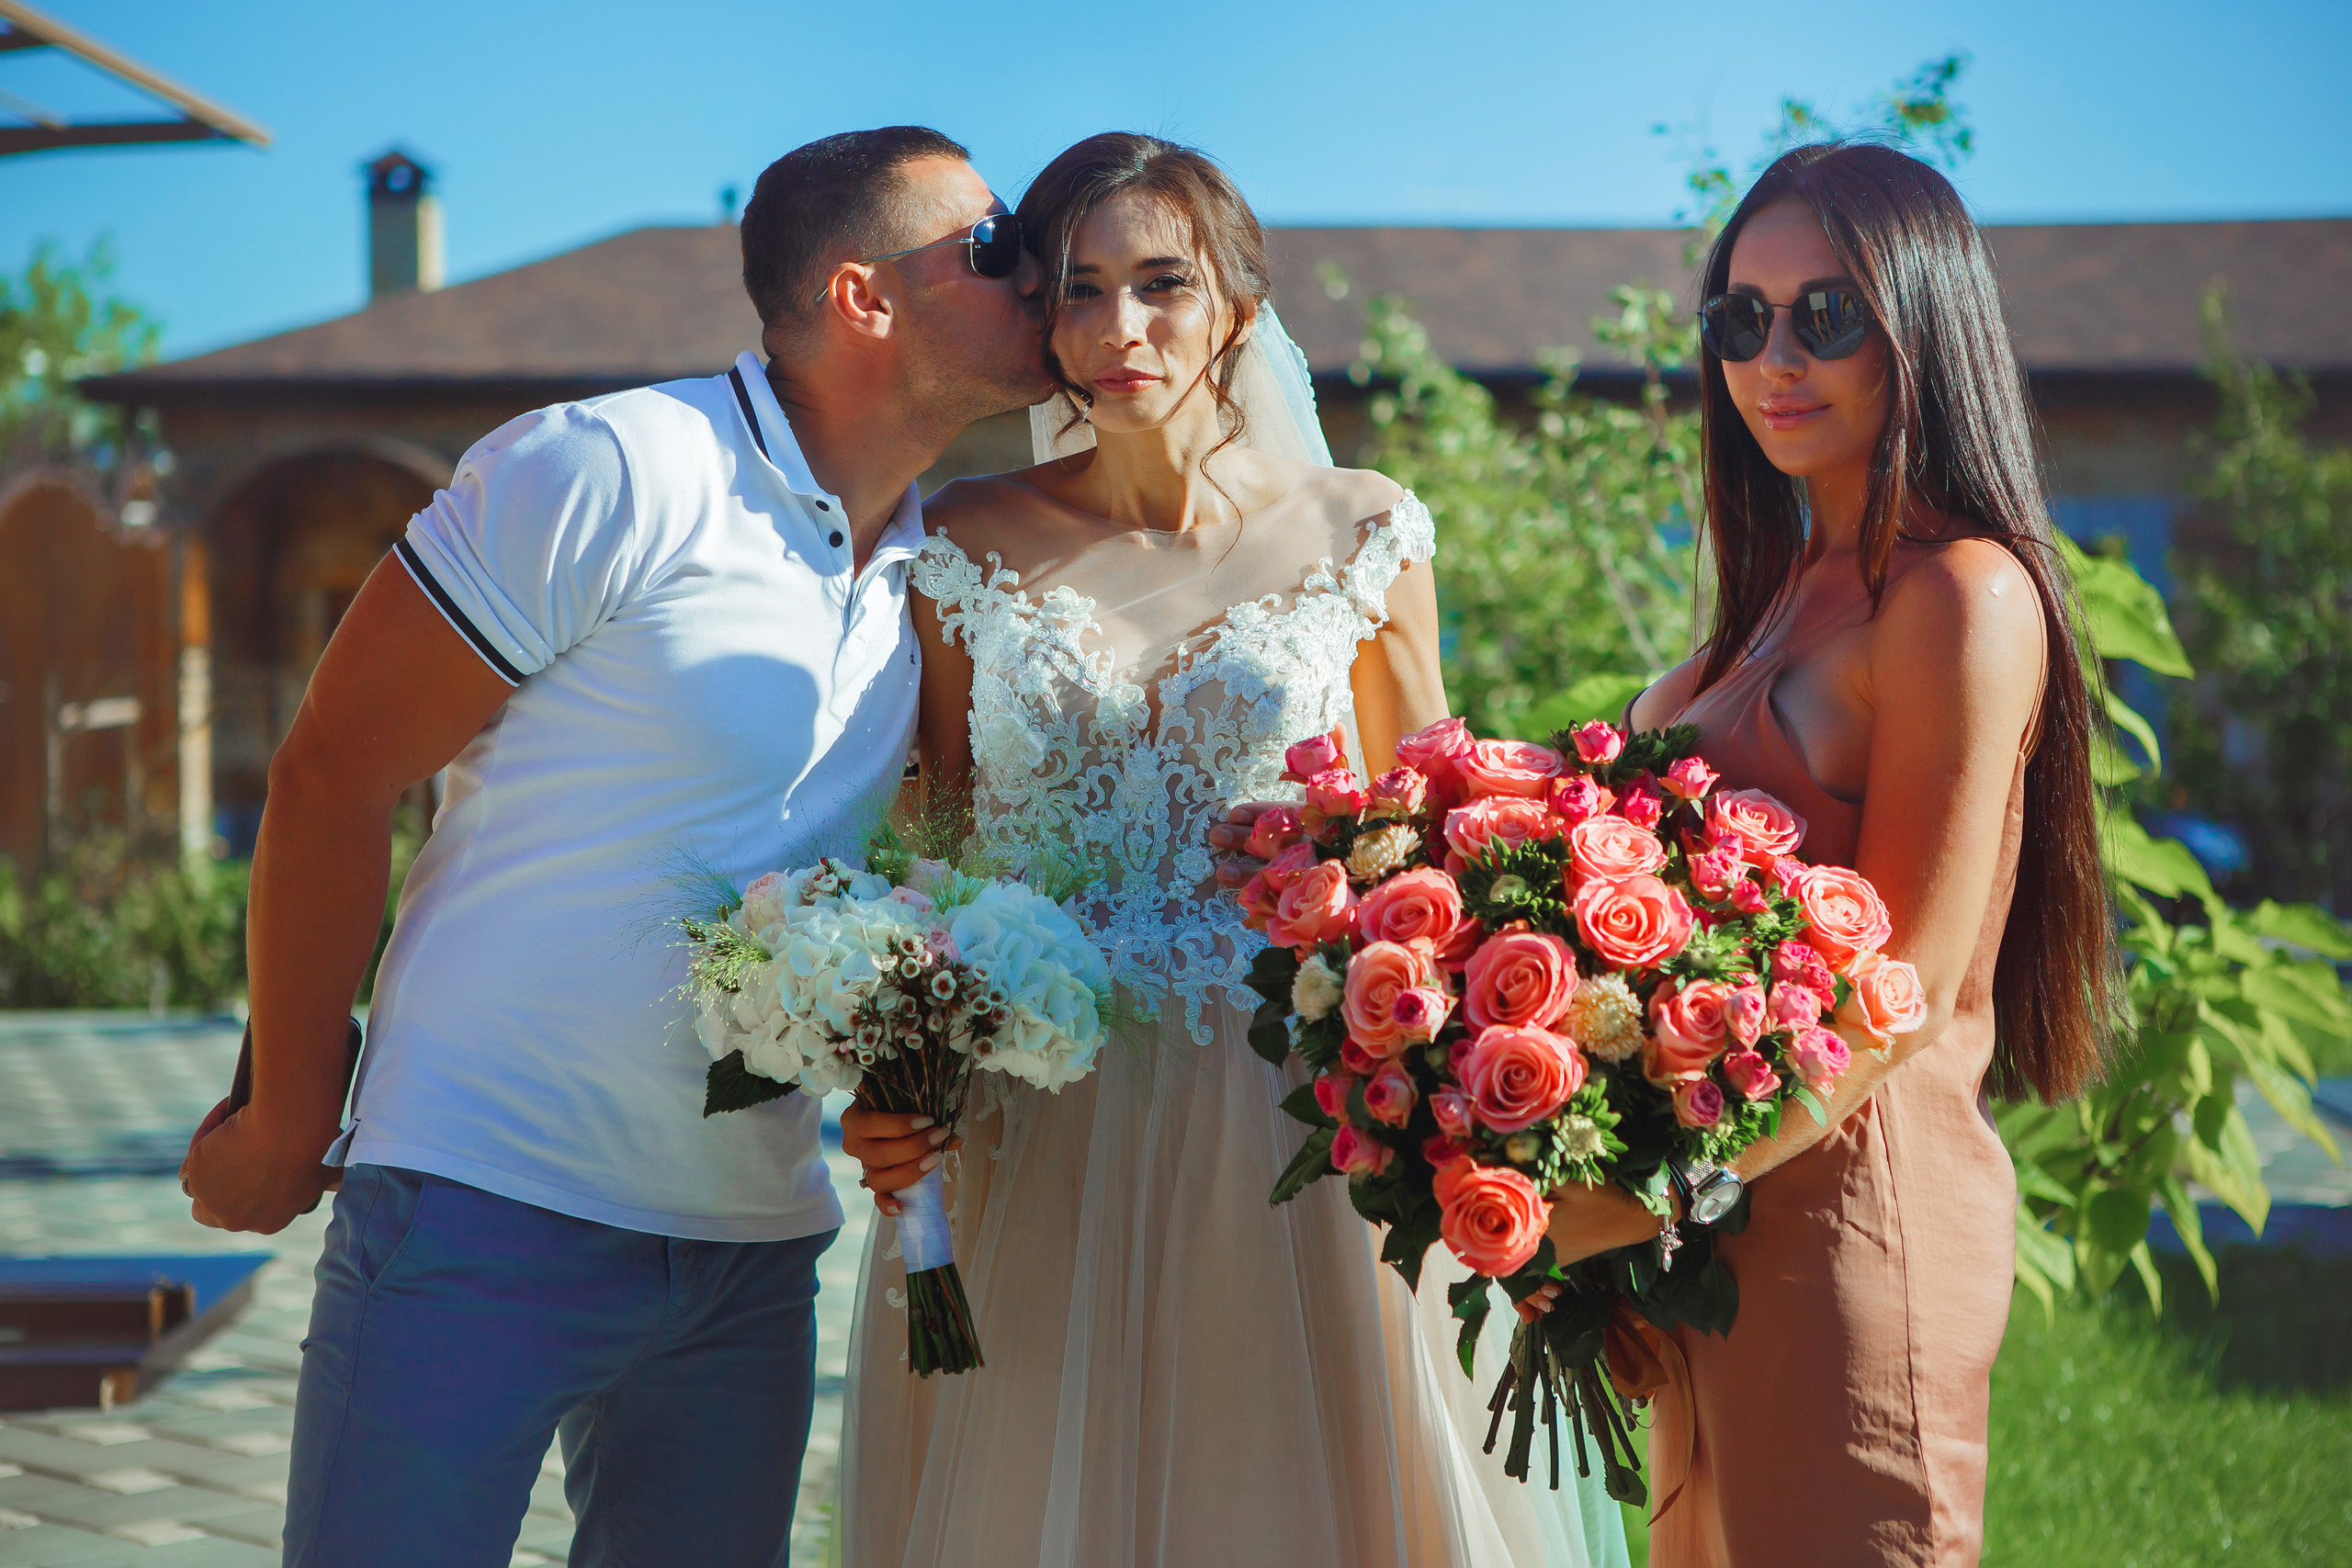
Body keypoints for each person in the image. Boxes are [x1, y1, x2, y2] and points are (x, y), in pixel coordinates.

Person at [176, 126, 1050, 1567]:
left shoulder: (937, 567)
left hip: (753, 1248)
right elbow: (333, 770)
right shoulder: (613, 466)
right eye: (990, 243)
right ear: (863, 296)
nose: (1034, 270)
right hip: (481, 1204)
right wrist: (286, 1110)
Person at [839, 132, 1629, 1568]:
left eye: (1162, 285)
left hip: (1303, 1134)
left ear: (1239, 312)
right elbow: (932, 848)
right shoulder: (959, 547)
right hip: (1041, 1126)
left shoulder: (1365, 531)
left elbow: (1435, 848)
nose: (1118, 329)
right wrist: (895, 1067)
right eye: (1079, 291)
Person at [1534, 141, 2116, 1566]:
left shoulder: (1960, 595)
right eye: (1742, 318)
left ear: (1922, 319)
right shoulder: (1772, 605)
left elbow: (1902, 979)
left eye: (1826, 315)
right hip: (1705, 1248)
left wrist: (1640, 1196)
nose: (1774, 358)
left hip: (1858, 1224)